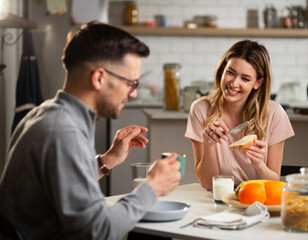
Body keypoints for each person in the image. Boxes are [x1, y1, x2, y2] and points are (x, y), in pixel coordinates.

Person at [0, 21, 181, 240]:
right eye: (130, 83)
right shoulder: (64, 132)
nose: (133, 94)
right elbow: (97, 231)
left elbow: (62, 185)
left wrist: (108, 160)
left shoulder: (46, 113)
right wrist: (152, 188)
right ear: (98, 78)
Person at [185, 40, 294, 190]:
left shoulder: (274, 113)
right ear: (222, 69)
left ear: (258, 83)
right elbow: (207, 184)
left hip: (256, 200)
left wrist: (259, 165)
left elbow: (273, 183)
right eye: (230, 72)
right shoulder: (200, 109)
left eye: (245, 78)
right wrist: (208, 144)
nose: (234, 83)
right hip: (218, 200)